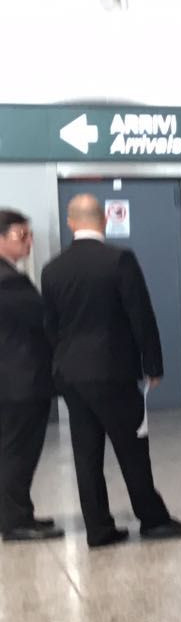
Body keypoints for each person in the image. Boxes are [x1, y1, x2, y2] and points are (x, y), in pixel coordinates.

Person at [40, 195, 181, 549]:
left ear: (70, 223)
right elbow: (140, 313)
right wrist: (153, 364)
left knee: (86, 453)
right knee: (132, 448)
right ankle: (152, 519)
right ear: (103, 221)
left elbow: (50, 326)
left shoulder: (52, 269)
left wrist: (61, 364)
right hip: (112, 370)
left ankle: (98, 529)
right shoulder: (119, 260)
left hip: (71, 374)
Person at [0, 210, 61, 542]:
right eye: (21, 235)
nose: (29, 242)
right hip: (20, 380)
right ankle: (16, 520)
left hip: (14, 379)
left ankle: (17, 512)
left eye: (29, 235)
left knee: (14, 450)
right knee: (18, 452)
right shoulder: (8, 281)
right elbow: (43, 319)